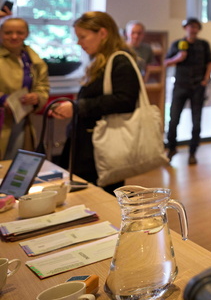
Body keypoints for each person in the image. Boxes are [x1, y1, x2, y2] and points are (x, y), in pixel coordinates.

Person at [50, 11, 140, 194]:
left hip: (102, 150)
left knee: (100, 200)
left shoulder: (120, 61)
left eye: (83, 36)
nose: (79, 42)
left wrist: (77, 107)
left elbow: (125, 101)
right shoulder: (101, 61)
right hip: (90, 145)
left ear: (103, 33)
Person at [164, 18, 211, 165]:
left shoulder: (203, 45)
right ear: (185, 28)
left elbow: (209, 62)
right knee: (173, 120)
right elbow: (166, 62)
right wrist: (178, 58)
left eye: (195, 27)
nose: (192, 29)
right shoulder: (178, 44)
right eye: (190, 27)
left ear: (198, 29)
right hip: (180, 86)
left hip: (198, 86)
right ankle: (171, 148)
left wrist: (205, 79)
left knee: (196, 122)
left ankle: (193, 152)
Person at [0, 17, 50, 158]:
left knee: (15, 163)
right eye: (8, 32)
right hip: (2, 120)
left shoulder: (33, 59)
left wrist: (37, 97)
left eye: (19, 32)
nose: (14, 36)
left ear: (27, 34)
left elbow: (43, 85)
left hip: (22, 120)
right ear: (1, 33)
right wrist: (3, 99)